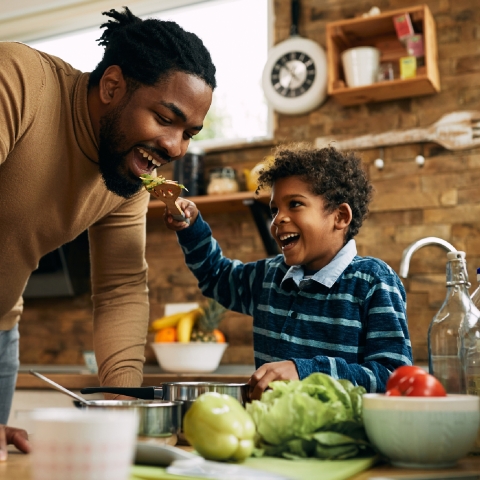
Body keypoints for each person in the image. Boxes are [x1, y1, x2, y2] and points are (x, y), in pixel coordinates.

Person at [0, 6, 216, 458]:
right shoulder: (18, 81)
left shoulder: (124, 175)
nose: (175, 147)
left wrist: (121, 405)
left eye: (189, 133)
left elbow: (120, 289)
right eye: (165, 118)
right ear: (113, 86)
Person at [164, 144, 413, 400]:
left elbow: (396, 377)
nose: (278, 219)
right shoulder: (268, 278)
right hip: (273, 433)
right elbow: (215, 275)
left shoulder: (373, 281)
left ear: (340, 216)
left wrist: (305, 371)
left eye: (295, 204)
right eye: (274, 210)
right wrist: (191, 227)